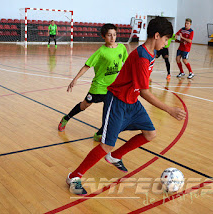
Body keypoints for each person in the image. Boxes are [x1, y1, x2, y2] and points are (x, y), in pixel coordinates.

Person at [66, 17, 186, 195]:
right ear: (157, 35)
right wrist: (169, 109)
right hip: (117, 102)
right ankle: (74, 176)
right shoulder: (142, 57)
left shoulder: (151, 54)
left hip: (132, 101)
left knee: (150, 133)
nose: (166, 43)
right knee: (106, 144)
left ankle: (115, 157)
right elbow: (145, 92)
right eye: (166, 39)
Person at [58, 23, 128, 143]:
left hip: (113, 89)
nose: (112, 38)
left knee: (110, 113)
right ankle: (66, 118)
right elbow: (87, 66)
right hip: (99, 87)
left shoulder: (122, 48)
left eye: (114, 35)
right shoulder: (101, 51)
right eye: (109, 35)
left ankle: (99, 134)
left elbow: (127, 65)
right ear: (103, 36)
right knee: (84, 105)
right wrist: (75, 79)